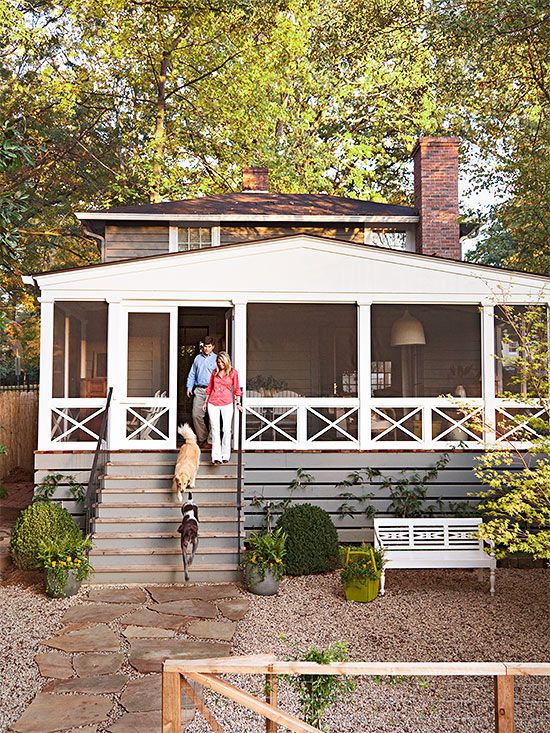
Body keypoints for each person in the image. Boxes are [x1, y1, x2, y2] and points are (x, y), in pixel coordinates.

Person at [203, 351, 242, 464]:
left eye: (222, 362)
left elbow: (237, 389)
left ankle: (225, 455)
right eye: (218, 362)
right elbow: (209, 388)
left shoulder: (233, 373)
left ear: (227, 361)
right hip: (213, 402)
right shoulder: (214, 372)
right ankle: (216, 457)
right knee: (215, 430)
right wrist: (205, 402)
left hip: (227, 403)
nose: (220, 364)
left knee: (226, 429)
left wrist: (238, 403)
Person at [186, 336, 217, 446]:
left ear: (213, 347)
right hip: (199, 390)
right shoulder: (197, 358)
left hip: (213, 390)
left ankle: (210, 441)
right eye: (205, 346)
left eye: (209, 347)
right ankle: (203, 437)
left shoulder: (216, 359)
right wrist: (189, 387)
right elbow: (192, 374)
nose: (206, 349)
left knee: (212, 417)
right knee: (196, 415)